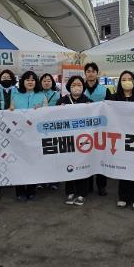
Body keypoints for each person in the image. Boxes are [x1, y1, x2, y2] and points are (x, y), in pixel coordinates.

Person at [10, 70, 48, 201]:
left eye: (32, 80)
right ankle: (20, 191)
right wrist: (10, 111)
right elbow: (10, 113)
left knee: (33, 163)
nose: (30, 82)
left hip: (35, 136)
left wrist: (40, 111)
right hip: (18, 136)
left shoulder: (41, 96)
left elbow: (46, 115)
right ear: (23, 82)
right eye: (27, 80)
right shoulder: (15, 96)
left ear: (36, 82)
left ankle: (31, 190)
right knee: (19, 163)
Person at [113, 71, 134, 211]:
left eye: (129, 79)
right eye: (123, 79)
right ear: (119, 82)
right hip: (120, 137)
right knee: (123, 167)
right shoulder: (114, 98)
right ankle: (123, 196)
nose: (126, 81)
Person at [57, 76, 92, 206]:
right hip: (68, 139)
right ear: (69, 87)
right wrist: (59, 109)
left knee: (83, 165)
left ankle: (82, 193)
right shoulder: (62, 100)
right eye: (74, 85)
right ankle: (70, 192)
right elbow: (53, 117)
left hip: (83, 139)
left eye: (79, 84)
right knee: (69, 164)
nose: (77, 87)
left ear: (83, 87)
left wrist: (91, 108)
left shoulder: (88, 101)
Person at [83, 62, 111, 196]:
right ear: (85, 73)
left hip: (100, 128)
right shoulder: (79, 88)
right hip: (84, 129)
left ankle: (101, 186)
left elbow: (110, 108)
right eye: (88, 71)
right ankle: (87, 185)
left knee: (101, 156)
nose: (90, 73)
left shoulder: (104, 90)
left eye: (93, 71)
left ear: (97, 73)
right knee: (85, 155)